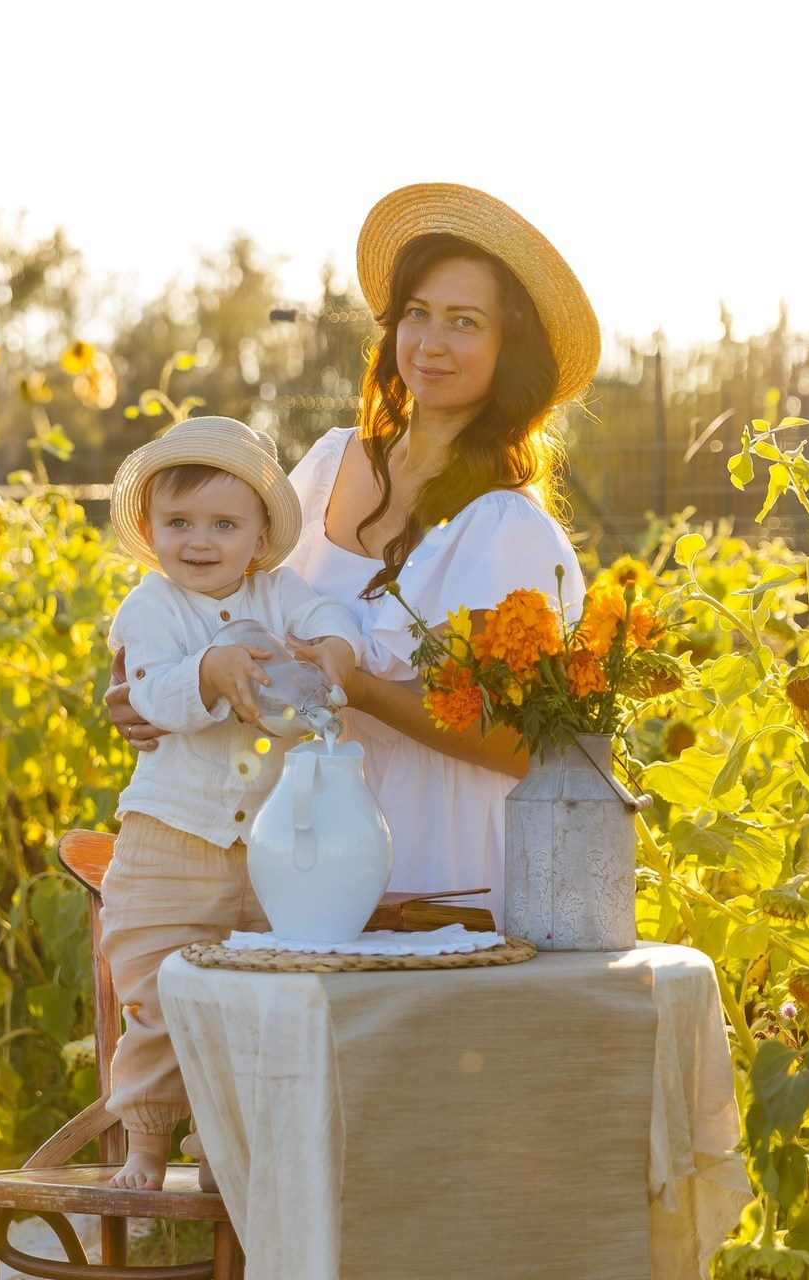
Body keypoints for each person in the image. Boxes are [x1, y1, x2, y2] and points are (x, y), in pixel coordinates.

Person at [107, 182, 599, 927]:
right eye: (416, 314)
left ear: (511, 349)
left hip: (433, 867)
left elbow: (525, 747)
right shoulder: (332, 463)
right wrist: (158, 691)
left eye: (464, 322)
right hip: (294, 846)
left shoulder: (511, 531)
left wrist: (363, 690)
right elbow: (239, 613)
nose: (430, 343)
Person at [99, 414, 362, 1189]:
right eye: (179, 523)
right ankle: (146, 1144)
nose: (201, 541)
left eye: (224, 523)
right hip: (166, 842)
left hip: (267, 857)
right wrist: (210, 669)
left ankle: (222, 1148)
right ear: (150, 532)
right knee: (155, 1001)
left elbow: (331, 623)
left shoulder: (282, 594)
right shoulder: (150, 609)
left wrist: (333, 655)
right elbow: (152, 695)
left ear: (258, 537)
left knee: (250, 1004)